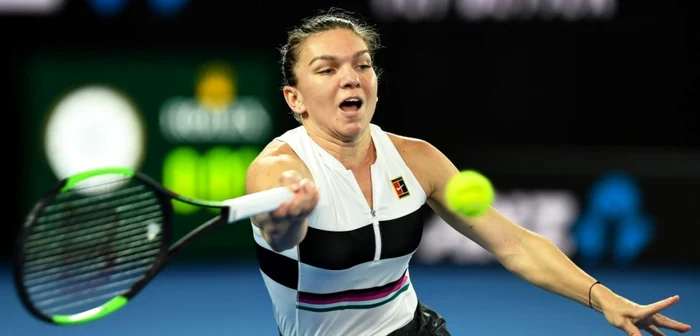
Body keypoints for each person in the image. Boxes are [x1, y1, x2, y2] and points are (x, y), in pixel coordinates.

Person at [245, 8, 692, 336]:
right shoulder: (277, 170)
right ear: (294, 99)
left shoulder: (416, 159)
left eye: (362, 64)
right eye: (327, 69)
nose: (351, 77)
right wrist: (289, 215)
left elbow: (513, 243)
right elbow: (280, 235)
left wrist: (605, 300)